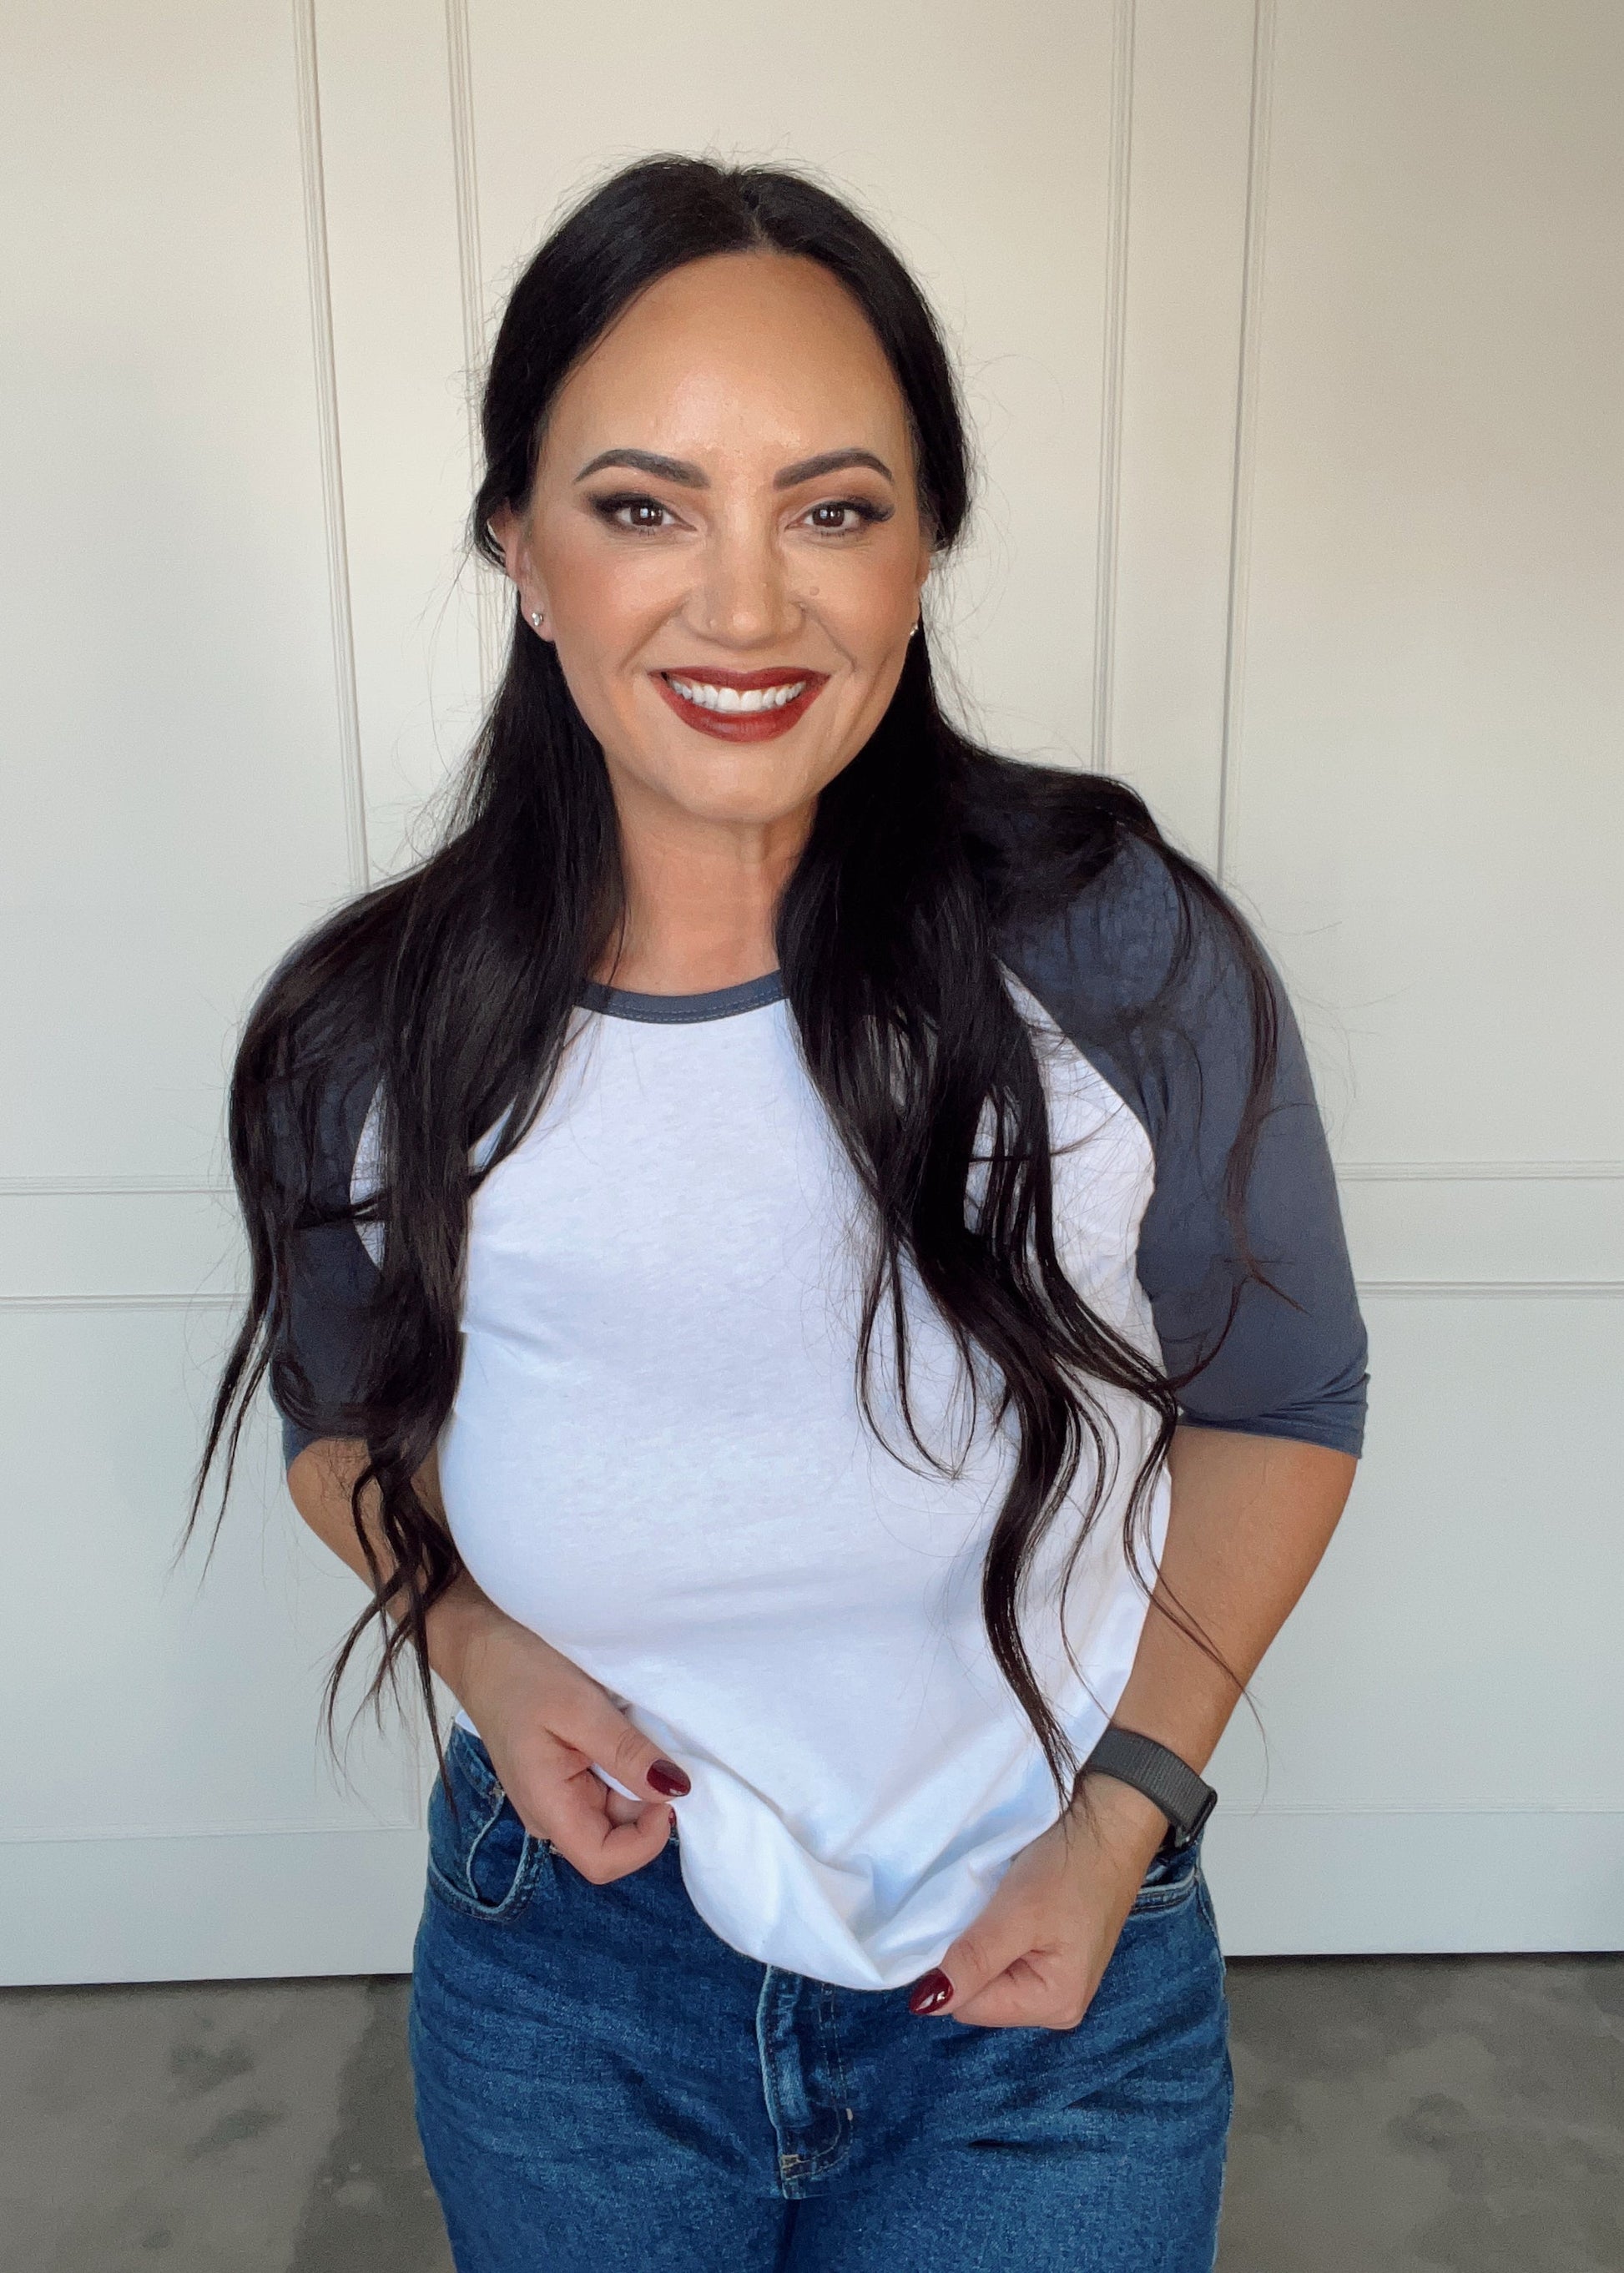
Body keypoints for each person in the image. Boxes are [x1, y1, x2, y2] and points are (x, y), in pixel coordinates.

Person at [196, 154, 1366, 2273]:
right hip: (572, 1981)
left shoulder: (1115, 952)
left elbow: (1282, 1400)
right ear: (521, 552)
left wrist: (1125, 1823)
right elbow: (336, 1420)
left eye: (833, 508)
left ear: (923, 552)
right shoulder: (361, 1033)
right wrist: (472, 1640)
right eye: (643, 506)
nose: (746, 608)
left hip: (1045, 1969)